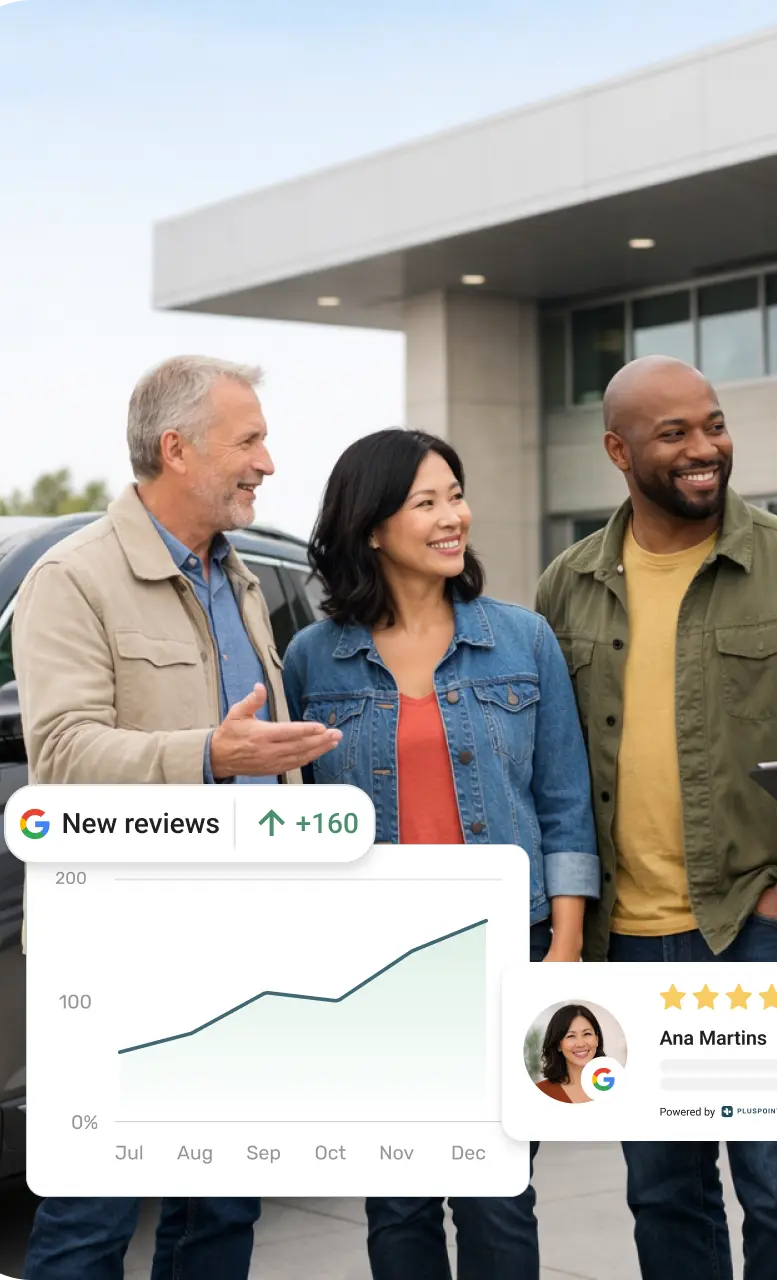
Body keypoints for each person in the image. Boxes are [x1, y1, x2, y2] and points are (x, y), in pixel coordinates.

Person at [535, 354, 777, 1280]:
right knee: (664, 1194)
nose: (706, 449)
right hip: (625, 944)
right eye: (676, 434)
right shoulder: (566, 588)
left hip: (758, 929)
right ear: (618, 450)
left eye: (715, 424)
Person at [13, 355, 342, 1280]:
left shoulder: (236, 580)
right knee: (88, 1226)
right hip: (118, 954)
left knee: (220, 1218)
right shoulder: (72, 580)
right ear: (177, 449)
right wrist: (208, 756)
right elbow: (65, 759)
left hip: (244, 955)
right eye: (250, 441)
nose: (268, 463)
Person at [282, 427, 599, 1280]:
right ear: (372, 526)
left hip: (509, 954)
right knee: (400, 1207)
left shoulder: (522, 639)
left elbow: (566, 803)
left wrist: (562, 952)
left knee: (500, 1199)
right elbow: (300, 822)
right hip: (382, 969)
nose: (454, 515)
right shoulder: (315, 659)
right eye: (427, 501)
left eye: (455, 494)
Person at [536, 1004, 605, 1103]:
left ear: (597, 1039)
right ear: (558, 1045)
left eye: (587, 1034)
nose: (580, 1044)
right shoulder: (541, 1091)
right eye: (571, 1036)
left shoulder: (616, 1085)